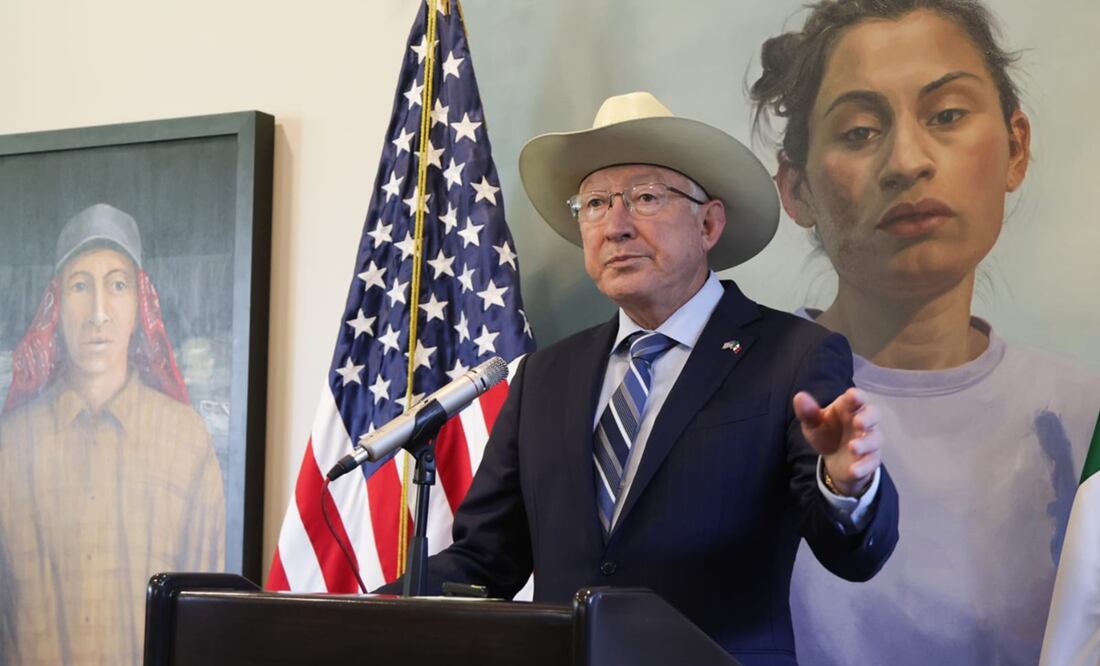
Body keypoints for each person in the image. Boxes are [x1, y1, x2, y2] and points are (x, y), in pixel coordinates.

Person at [380, 92, 899, 665]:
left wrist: (846, 486)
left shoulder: (793, 355)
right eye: (595, 204)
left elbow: (853, 556)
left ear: (708, 223)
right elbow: (485, 560)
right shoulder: (544, 376)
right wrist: (354, 615)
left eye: (645, 197)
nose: (615, 226)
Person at [750, 1, 1100, 663]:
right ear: (796, 190)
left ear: (1015, 147)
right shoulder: (728, 401)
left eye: (946, 115)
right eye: (858, 131)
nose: (907, 161)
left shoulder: (1087, 424)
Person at [0, 203, 226, 665]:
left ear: (141, 303)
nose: (98, 313)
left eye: (117, 285)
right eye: (80, 286)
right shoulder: (10, 446)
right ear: (57, 304)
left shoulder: (186, 442)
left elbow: (207, 621)